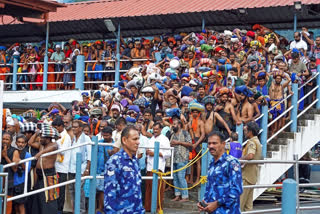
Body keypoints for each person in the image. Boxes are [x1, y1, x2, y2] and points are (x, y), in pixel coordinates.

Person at [197, 131, 242, 213]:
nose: (211, 146)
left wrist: (217, 203)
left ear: (223, 144)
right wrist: (204, 202)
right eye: (209, 143)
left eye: (214, 143)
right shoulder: (212, 163)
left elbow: (237, 190)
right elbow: (210, 187)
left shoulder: (231, 162)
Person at [104, 125, 145, 213]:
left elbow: (137, 190)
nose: (138, 142)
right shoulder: (114, 161)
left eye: (138, 139)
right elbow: (110, 193)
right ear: (124, 140)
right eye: (134, 139)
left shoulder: (134, 161)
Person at [32, 123, 59, 214]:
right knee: (39, 198)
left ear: (48, 138)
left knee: (49, 198)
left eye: (42, 137)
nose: (40, 139)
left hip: (48, 175)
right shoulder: (41, 145)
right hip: (39, 174)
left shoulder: (54, 145)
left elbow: (53, 147)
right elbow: (30, 143)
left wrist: (40, 153)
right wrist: (37, 133)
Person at [145, 122, 171, 212]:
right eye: (154, 129)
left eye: (156, 129)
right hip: (149, 166)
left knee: (158, 189)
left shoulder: (165, 139)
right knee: (148, 188)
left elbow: (168, 153)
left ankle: (157, 207)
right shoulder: (151, 139)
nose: (155, 131)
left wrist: (155, 153)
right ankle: (148, 207)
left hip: (158, 167)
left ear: (160, 129)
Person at [68, 120, 92, 214]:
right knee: (72, 190)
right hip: (71, 169)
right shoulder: (73, 138)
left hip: (81, 168)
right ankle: (75, 210)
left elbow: (90, 155)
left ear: (81, 128)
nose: (73, 129)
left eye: (75, 127)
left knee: (79, 190)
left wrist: (87, 168)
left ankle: (81, 210)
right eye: (72, 127)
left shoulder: (86, 139)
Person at [240, 121, 262, 211]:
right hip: (253, 175)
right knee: (248, 206)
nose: (245, 133)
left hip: (246, 176)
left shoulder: (251, 142)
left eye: (245, 131)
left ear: (250, 131)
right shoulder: (257, 141)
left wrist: (241, 159)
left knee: (240, 203)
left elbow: (250, 155)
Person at [52, 117, 72, 214]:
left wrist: (56, 142)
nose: (55, 129)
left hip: (62, 168)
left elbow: (63, 151)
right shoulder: (58, 135)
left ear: (61, 126)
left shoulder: (66, 137)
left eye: (56, 127)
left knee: (61, 191)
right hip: (55, 166)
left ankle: (59, 210)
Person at [170, 118, 192, 202]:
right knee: (175, 178)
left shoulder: (185, 133)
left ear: (179, 125)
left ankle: (185, 196)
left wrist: (179, 142)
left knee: (181, 177)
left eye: (175, 124)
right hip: (174, 159)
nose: (173, 126)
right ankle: (177, 195)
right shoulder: (172, 134)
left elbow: (190, 144)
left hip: (182, 158)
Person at [96, 126, 114, 214]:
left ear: (111, 135)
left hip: (111, 170)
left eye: (107, 136)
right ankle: (100, 208)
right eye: (104, 136)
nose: (105, 137)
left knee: (109, 190)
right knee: (100, 190)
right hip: (99, 169)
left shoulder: (115, 145)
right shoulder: (99, 143)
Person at [13, 134, 32, 214]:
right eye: (19, 142)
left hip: (21, 182)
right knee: (15, 206)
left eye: (22, 142)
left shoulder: (27, 155)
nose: (20, 144)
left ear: (25, 144)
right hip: (12, 182)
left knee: (21, 205)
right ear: (16, 143)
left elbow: (27, 170)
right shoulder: (12, 152)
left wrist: (20, 161)